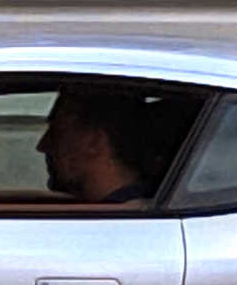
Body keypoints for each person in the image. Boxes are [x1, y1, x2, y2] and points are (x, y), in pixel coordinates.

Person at [36, 87, 199, 204]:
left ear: (93, 142)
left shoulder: (127, 217)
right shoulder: (155, 206)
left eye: (58, 133)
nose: (42, 145)